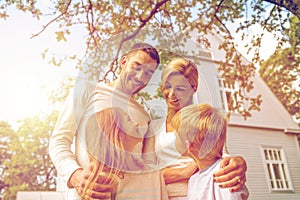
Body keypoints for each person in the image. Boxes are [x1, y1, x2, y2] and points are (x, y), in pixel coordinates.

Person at [49, 42, 168, 199]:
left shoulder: (144, 116)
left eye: (148, 73)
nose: (140, 77)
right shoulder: (87, 90)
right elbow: (59, 140)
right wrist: (75, 175)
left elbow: (149, 170)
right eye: (136, 66)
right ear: (124, 62)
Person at [152, 57, 247, 199]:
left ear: (194, 88)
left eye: (180, 88)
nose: (172, 94)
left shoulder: (204, 121)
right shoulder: (153, 128)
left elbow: (220, 156)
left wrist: (238, 163)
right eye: (167, 86)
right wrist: (183, 172)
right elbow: (144, 175)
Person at [172, 103, 249, 199]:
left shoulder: (224, 174)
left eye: (176, 135)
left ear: (189, 144)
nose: (173, 139)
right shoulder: (193, 180)